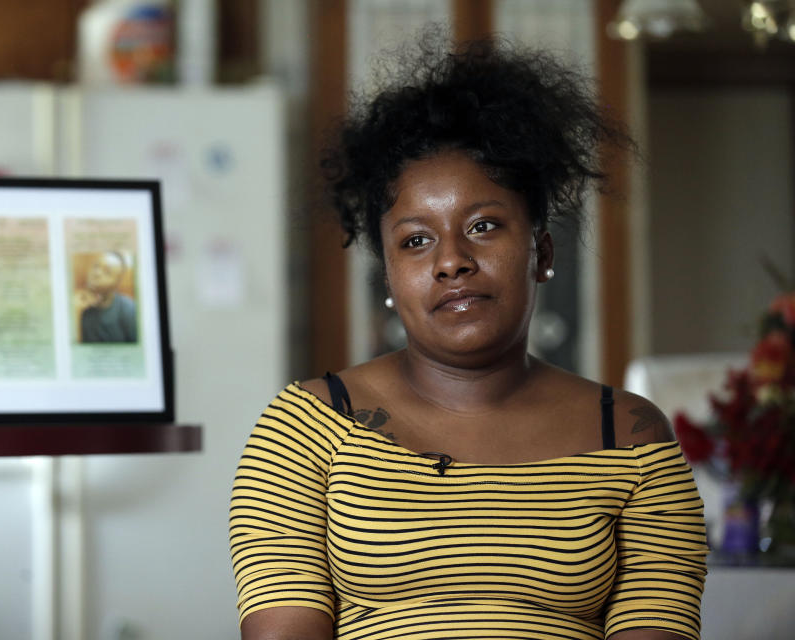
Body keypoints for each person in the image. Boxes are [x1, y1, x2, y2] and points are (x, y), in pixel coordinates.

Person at [230, 38, 708, 640]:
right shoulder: (306, 428)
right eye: (415, 240)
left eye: (483, 226)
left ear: (541, 251)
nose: (451, 261)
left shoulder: (632, 437)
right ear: (389, 276)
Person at [78, 251, 138, 343]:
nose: (96, 273)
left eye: (107, 272)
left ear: (116, 284)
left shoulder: (130, 310)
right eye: (96, 266)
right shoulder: (85, 312)